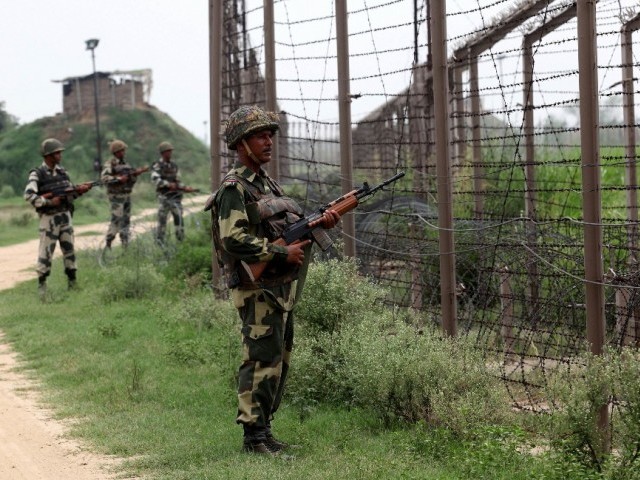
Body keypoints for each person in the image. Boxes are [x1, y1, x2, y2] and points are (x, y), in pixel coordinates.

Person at [206, 105, 340, 456]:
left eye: (270, 135)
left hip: (276, 288)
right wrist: (281, 254)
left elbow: (281, 225)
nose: (268, 141)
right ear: (241, 144)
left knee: (277, 360)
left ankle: (263, 431)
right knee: (260, 359)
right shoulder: (234, 188)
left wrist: (318, 223)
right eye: (260, 136)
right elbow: (232, 239)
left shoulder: (265, 182)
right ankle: (252, 439)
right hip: (256, 287)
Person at [23, 138, 93, 299]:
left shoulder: (63, 172)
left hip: (65, 216)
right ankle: (42, 285)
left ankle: (72, 282)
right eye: (57, 153)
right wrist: (48, 201)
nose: (60, 155)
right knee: (46, 252)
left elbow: (69, 194)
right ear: (48, 155)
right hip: (49, 219)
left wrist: (81, 191)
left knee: (69, 250)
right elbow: (28, 195)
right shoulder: (37, 174)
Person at [150, 141, 195, 245]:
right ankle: (160, 243)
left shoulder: (174, 166)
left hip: (176, 198)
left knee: (179, 220)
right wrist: (168, 184)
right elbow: (155, 179)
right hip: (164, 198)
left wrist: (185, 188)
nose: (170, 153)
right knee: (162, 222)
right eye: (168, 151)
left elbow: (178, 181)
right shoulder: (157, 165)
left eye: (171, 151)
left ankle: (181, 242)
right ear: (163, 153)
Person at [101, 139, 139, 249]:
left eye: (124, 150)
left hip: (126, 195)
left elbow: (132, 180)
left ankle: (125, 243)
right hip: (116, 197)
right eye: (122, 150)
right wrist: (118, 179)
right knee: (116, 219)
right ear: (116, 152)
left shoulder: (126, 164)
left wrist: (133, 176)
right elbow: (104, 178)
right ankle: (109, 242)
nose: (124, 152)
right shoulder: (110, 164)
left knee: (126, 221)